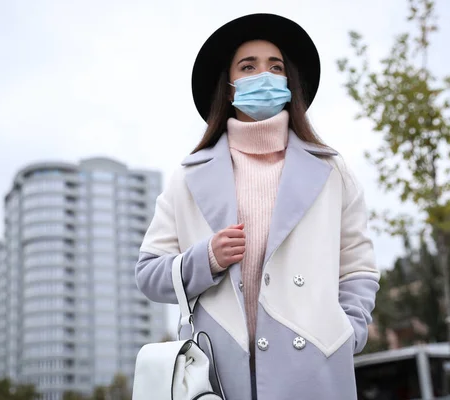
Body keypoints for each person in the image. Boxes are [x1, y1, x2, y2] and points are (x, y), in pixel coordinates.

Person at [135, 13, 379, 400]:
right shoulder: (188, 176)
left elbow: (358, 268)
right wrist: (206, 259)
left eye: (275, 67)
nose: (263, 75)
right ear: (230, 88)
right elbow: (148, 273)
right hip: (214, 375)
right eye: (248, 66)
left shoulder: (332, 171)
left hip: (314, 368)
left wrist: (349, 332)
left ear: (289, 84)